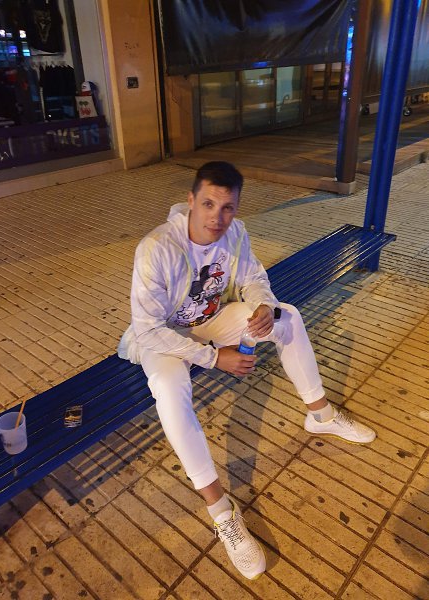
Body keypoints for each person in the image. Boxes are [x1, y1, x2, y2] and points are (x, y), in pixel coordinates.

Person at [118, 161, 376, 580]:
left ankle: (321, 415)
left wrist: (262, 306)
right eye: (208, 204)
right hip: (164, 335)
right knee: (168, 385)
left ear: (236, 208)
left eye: (228, 208)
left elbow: (253, 277)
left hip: (212, 320)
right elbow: (148, 328)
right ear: (191, 201)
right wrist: (213, 358)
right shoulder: (156, 248)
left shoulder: (234, 233)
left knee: (288, 317)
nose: (217, 217)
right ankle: (221, 510)